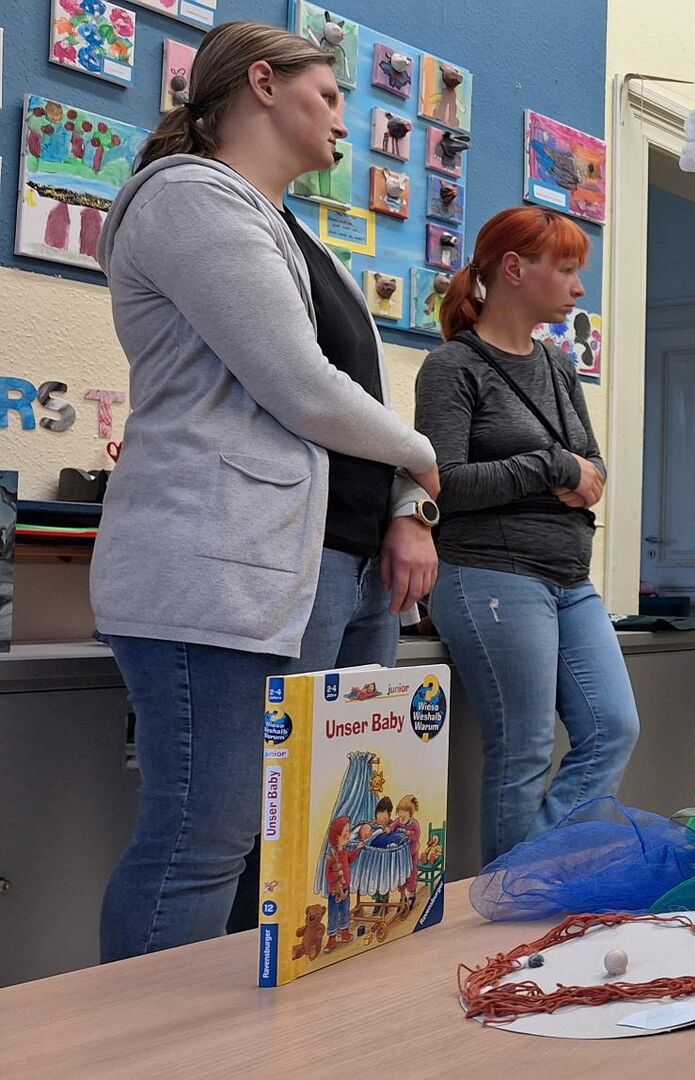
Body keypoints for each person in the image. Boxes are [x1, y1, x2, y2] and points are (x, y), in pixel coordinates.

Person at [91, 22, 441, 962]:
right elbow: (300, 386)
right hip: (224, 569)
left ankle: (243, 1031)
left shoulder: (297, 235)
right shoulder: (188, 197)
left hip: (330, 568)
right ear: (262, 84)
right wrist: (424, 456)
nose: (344, 122)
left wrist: (404, 503)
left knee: (292, 842)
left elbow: (353, 401)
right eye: (327, 96)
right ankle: (147, 1037)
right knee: (202, 836)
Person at [415, 207, 640, 866]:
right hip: (490, 573)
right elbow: (444, 483)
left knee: (613, 727)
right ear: (513, 268)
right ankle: (517, 897)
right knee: (524, 749)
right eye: (566, 270)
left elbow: (593, 468)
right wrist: (549, 468)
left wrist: (576, 473)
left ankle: (527, 875)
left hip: (569, 578)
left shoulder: (558, 365)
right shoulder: (453, 366)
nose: (578, 287)